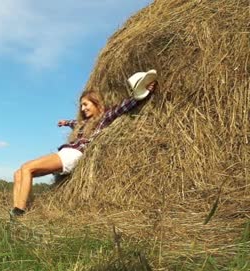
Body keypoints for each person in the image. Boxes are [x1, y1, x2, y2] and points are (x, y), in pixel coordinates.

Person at [10, 81, 157, 218]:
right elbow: (75, 123)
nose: (83, 108)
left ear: (96, 103)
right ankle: (16, 210)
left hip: (74, 154)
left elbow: (123, 107)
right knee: (18, 174)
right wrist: (65, 122)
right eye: (81, 106)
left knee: (27, 168)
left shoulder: (103, 118)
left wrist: (144, 92)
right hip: (65, 153)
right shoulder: (83, 123)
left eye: (86, 104)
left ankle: (20, 213)